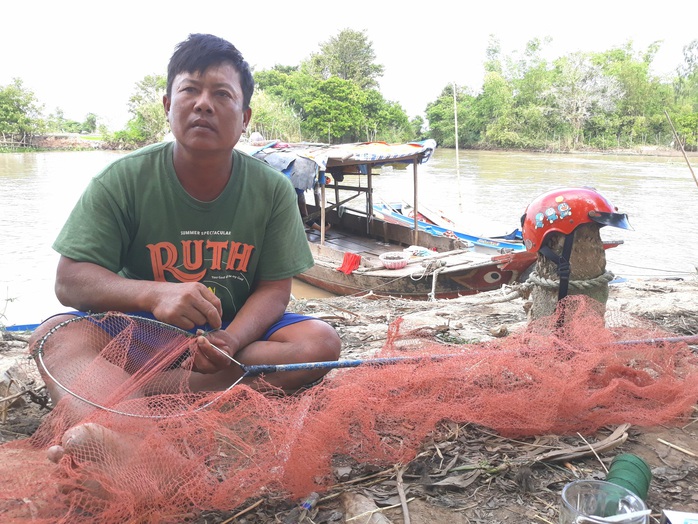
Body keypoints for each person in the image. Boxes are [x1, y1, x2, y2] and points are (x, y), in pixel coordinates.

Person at [28, 33, 342, 457]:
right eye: (190, 90)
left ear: (245, 116)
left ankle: (135, 401)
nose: (203, 104)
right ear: (167, 105)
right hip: (139, 340)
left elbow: (274, 288)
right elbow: (70, 281)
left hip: (229, 346)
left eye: (221, 94)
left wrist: (230, 340)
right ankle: (132, 439)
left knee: (319, 343)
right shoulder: (123, 179)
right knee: (54, 336)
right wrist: (153, 293)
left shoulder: (271, 189)